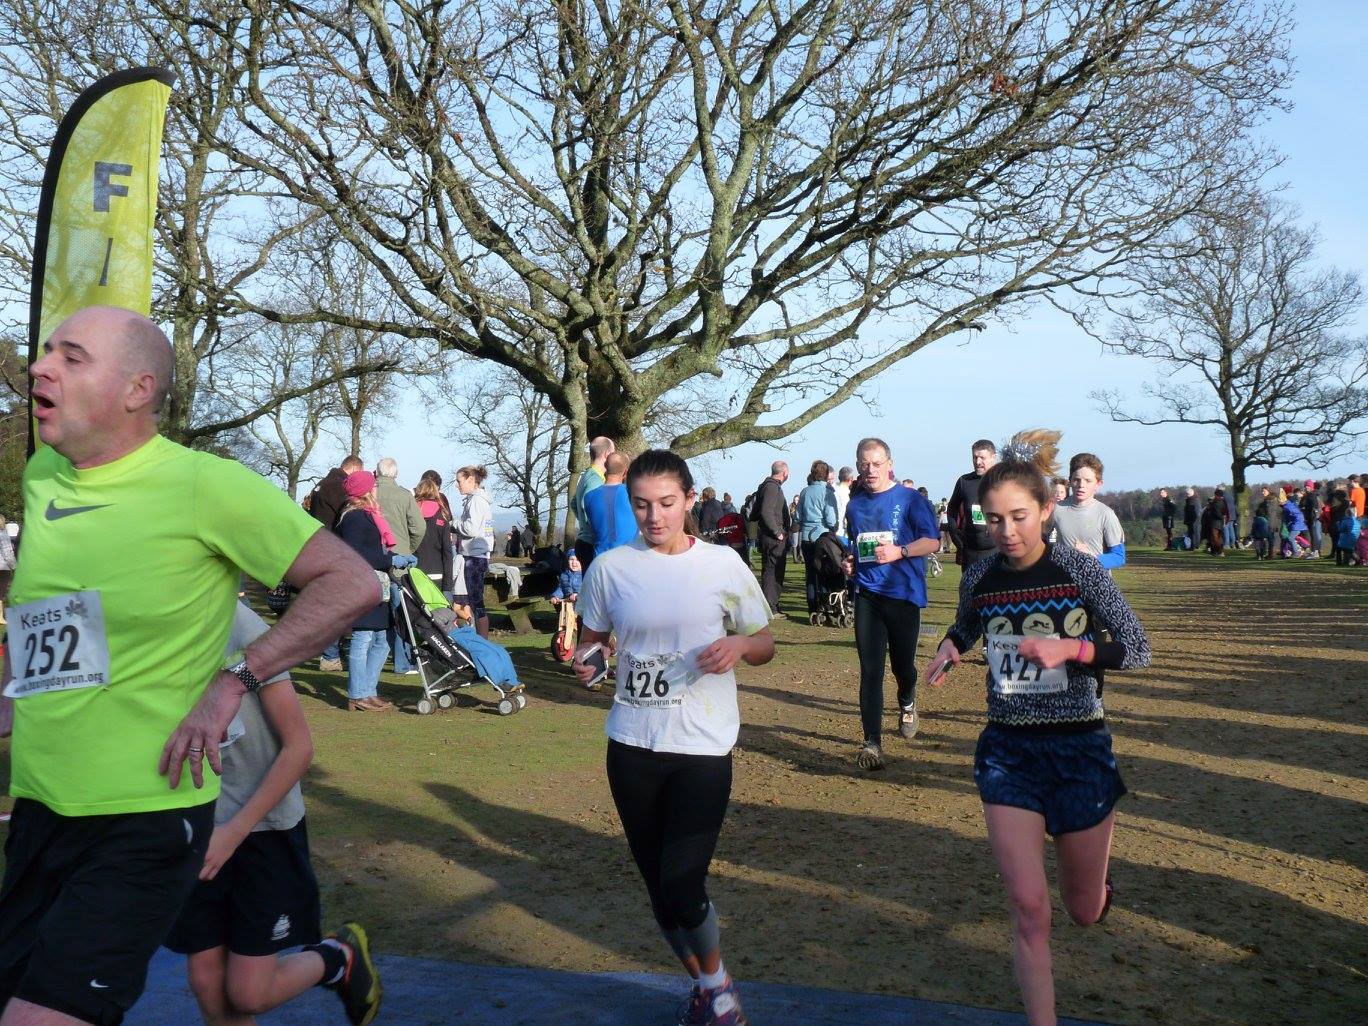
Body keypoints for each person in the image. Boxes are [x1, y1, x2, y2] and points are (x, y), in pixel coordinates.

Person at [0, 305, 377, 1026]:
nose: (41, 366)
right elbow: (48, 617)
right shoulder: (45, 473)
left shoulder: (207, 485)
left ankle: (334, 958)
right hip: (42, 809)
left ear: (138, 389)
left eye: (71, 357)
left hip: (144, 817)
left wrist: (236, 679)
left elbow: (351, 582)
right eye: (46, 351)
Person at [923, 429, 1151, 1026]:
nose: (1006, 532)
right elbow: (968, 623)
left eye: (1019, 517)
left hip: (1078, 749)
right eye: (994, 520)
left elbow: (1136, 648)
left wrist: (1070, 651)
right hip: (1008, 753)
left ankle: (1099, 894)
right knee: (1029, 908)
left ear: (1047, 510)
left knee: (1080, 910)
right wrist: (949, 647)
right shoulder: (980, 575)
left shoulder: (1081, 572)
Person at [572, 450, 775, 1026]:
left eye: (665, 503)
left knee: (683, 880)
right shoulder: (610, 568)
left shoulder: (722, 566)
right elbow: (595, 642)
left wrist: (737, 646)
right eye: (641, 505)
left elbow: (763, 643)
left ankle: (716, 984)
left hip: (702, 745)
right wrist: (590, 661)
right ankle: (711, 989)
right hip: (632, 743)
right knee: (659, 890)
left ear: (689, 500)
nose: (654, 516)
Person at [165, 602, 381, 1025]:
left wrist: (234, 831)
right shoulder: (143, 626)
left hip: (261, 829)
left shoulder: (242, 628)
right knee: (206, 980)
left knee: (248, 993)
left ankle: (339, 957)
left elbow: (299, 747)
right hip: (196, 830)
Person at [841, 438, 941, 771]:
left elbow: (932, 541)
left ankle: (908, 699)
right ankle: (872, 744)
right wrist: (850, 563)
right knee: (871, 670)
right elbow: (858, 548)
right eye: (863, 464)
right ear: (857, 466)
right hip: (868, 595)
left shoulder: (912, 501)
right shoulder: (855, 506)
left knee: (902, 666)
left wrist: (901, 551)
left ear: (889, 463)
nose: (870, 470)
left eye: (876, 463)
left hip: (903, 594)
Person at [336, 471, 411, 711]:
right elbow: (360, 555)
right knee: (363, 638)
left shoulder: (367, 516)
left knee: (381, 640)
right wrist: (391, 560)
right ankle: (357, 694)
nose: (377, 489)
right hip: (361, 585)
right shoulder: (355, 518)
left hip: (375, 584)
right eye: (374, 486)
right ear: (366, 492)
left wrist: (391, 558)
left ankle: (368, 691)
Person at [313, 455, 365, 671]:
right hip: (333, 552)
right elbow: (347, 515)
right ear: (353, 469)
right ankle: (330, 655)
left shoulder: (323, 484)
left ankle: (333, 653)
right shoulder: (338, 486)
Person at [375, 458, 426, 673]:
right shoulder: (405, 495)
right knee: (401, 611)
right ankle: (402, 662)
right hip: (400, 561)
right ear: (395, 474)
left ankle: (376, 659)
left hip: (374, 559)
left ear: (377, 473)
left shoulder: (370, 495)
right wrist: (409, 548)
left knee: (376, 613)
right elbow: (419, 527)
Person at [1050, 454, 1125, 570]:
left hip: (1097, 584)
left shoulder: (1106, 514)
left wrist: (1091, 558)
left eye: (1088, 481)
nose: (1081, 485)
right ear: (1070, 481)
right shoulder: (1056, 510)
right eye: (1076, 480)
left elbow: (1119, 557)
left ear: (1098, 484)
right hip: (1065, 584)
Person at [796, 460, 838, 624]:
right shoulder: (827, 493)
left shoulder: (805, 491)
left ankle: (812, 609)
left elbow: (797, 516)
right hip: (822, 537)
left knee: (811, 574)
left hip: (807, 537)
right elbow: (831, 518)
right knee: (824, 573)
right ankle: (825, 607)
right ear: (827, 475)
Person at [455, 466, 496, 638]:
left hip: (474, 557)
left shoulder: (476, 501)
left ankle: (482, 643)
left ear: (470, 480)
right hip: (476, 555)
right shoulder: (476, 500)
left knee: (476, 603)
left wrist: (453, 524)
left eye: (459, 481)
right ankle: (480, 640)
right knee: (473, 602)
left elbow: (471, 529)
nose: (457, 485)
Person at [947, 439, 999, 566]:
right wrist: (955, 535)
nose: (977, 462)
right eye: (975, 457)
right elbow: (952, 507)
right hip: (971, 553)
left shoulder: (1004, 480)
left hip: (998, 551)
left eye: (982, 458)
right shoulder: (964, 481)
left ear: (994, 458)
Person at [751, 461, 791, 617]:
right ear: (785, 472)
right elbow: (765, 512)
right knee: (772, 571)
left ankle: (772, 605)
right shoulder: (772, 487)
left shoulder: (765, 486)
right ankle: (770, 608)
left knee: (771, 570)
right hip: (773, 537)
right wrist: (777, 532)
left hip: (769, 537)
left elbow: (754, 513)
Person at [571, 436, 615, 569]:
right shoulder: (596, 480)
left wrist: (583, 524)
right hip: (592, 543)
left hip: (585, 541)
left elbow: (574, 503)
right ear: (607, 454)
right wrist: (590, 528)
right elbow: (591, 509)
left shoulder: (587, 475)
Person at [584, 452, 639, 555]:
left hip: (600, 558)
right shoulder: (634, 494)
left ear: (605, 467)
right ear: (626, 472)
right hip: (629, 556)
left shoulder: (588, 497)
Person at [414, 474, 454, 599]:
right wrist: (447, 586)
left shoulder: (412, 514)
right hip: (438, 573)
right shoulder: (442, 515)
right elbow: (447, 552)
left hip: (415, 572)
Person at [307, 455, 362, 532]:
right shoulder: (340, 486)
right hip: (330, 536)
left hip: (316, 531)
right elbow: (348, 514)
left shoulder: (323, 482)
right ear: (354, 469)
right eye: (359, 473)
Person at [1301, 481, 1323, 557]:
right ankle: (1314, 551)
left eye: (1308, 486)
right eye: (1306, 486)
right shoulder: (1307, 495)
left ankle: (1315, 551)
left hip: (1313, 518)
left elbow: (1314, 507)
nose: (1306, 487)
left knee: (1314, 535)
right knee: (1313, 535)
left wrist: (1312, 516)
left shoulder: (1312, 495)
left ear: (1312, 487)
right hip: (1309, 517)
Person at [833, 467, 854, 544]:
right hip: (842, 532)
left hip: (831, 530)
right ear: (851, 479)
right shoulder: (847, 495)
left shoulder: (832, 489)